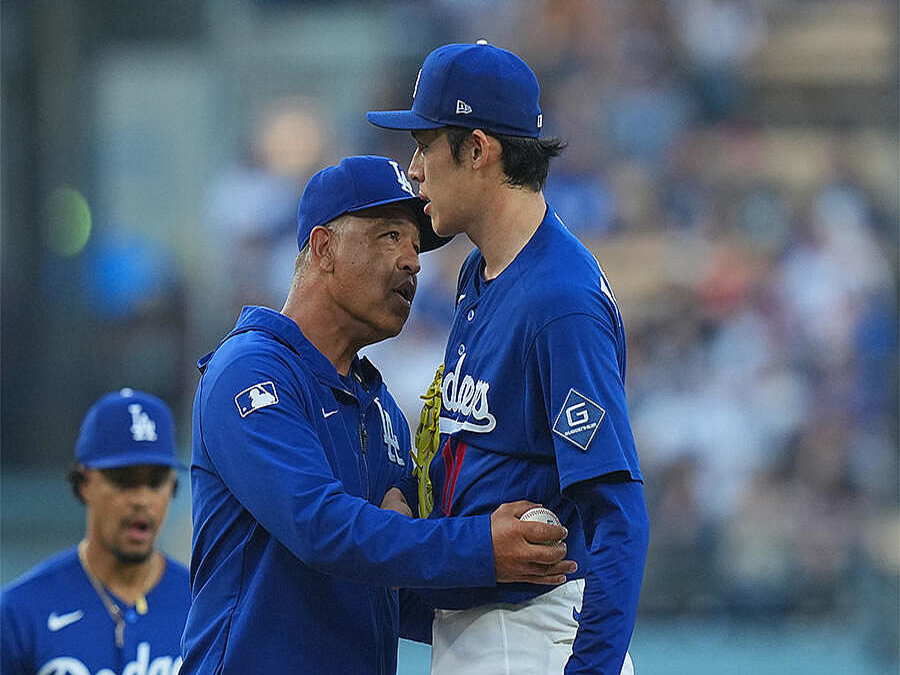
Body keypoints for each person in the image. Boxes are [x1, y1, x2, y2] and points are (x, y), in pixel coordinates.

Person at [180, 155, 576, 674]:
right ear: (324, 248)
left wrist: (526, 582)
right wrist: (481, 547)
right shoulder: (251, 370)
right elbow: (319, 526)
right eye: (390, 236)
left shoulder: (382, 408)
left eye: (416, 245)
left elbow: (402, 581)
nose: (413, 262)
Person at [367, 41, 650, 675]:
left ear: (477, 149)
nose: (413, 170)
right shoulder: (481, 272)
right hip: (480, 631)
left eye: (425, 145)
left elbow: (619, 516)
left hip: (535, 636)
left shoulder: (559, 299)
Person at [1, 388, 189, 675]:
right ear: (84, 482)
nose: (142, 499)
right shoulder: (20, 612)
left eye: (156, 482)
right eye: (123, 480)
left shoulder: (202, 606)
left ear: (173, 486)